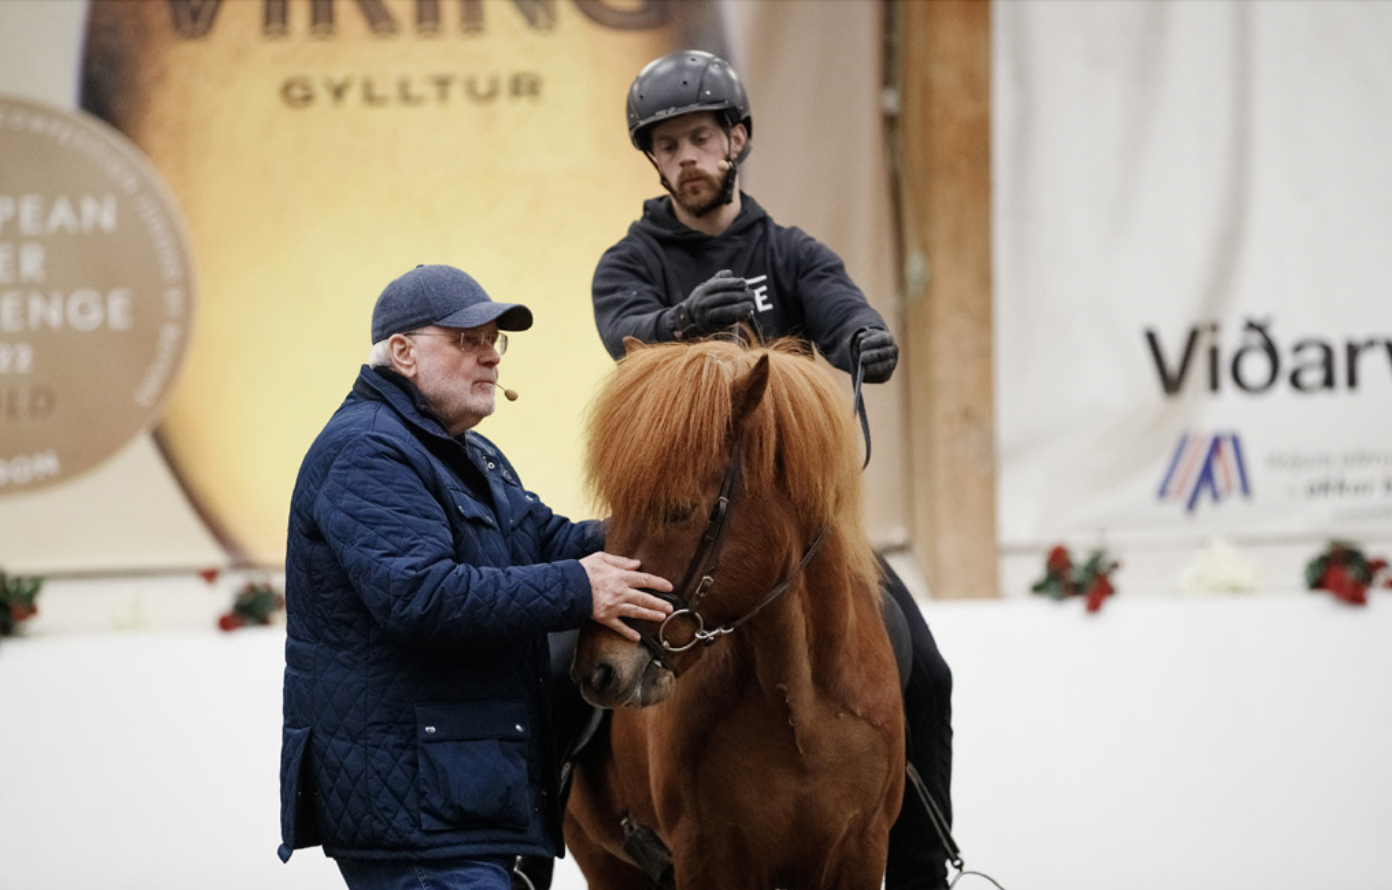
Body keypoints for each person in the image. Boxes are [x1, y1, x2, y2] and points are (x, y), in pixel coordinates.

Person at [591, 50, 956, 890]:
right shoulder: (629, 262)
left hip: (793, 530)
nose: (686, 158)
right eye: (668, 146)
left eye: (700, 139)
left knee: (928, 671)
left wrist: (864, 338)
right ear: (654, 161)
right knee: (559, 658)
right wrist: (681, 319)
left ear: (738, 139)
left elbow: (840, 308)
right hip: (676, 517)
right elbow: (625, 333)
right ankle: (542, 827)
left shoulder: (791, 252)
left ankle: (923, 861)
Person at [277, 263, 674, 890]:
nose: (490, 356)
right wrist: (581, 588)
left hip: (454, 803)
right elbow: (422, 597)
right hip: (417, 818)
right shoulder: (366, 450)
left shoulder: (470, 452)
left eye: (494, 340)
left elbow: (552, 541)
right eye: (467, 340)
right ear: (403, 353)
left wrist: (668, 524)